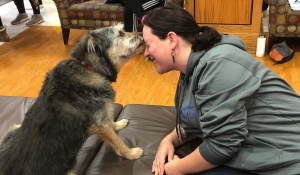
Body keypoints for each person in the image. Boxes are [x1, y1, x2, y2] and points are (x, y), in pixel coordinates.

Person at [142, 6, 300, 175]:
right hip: (254, 150)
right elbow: (198, 117)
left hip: (289, 156)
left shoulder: (218, 64)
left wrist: (177, 169)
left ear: (172, 39)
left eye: (148, 45)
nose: (145, 53)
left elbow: (223, 144)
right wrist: (169, 140)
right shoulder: (191, 69)